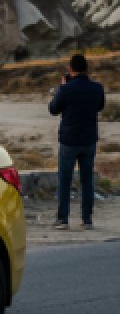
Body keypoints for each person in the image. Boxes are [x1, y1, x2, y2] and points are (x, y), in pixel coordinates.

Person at [48, 52, 104, 229]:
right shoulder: (97, 88)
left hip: (69, 141)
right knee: (87, 180)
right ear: (86, 68)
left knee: (65, 180)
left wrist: (61, 88)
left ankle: (63, 219)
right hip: (88, 140)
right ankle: (87, 219)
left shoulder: (66, 89)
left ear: (71, 69)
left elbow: (53, 109)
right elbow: (100, 106)